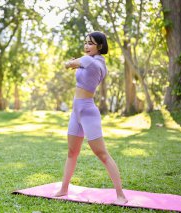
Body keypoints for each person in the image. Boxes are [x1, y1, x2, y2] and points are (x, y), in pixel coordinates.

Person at [54, 31, 128, 205]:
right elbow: (74, 64)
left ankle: (121, 195)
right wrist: (74, 64)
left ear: (100, 46)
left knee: (102, 154)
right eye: (85, 42)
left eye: (91, 43)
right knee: (72, 152)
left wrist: (72, 63)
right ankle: (64, 188)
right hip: (76, 112)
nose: (86, 46)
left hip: (88, 112)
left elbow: (68, 64)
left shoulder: (91, 62)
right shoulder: (90, 61)